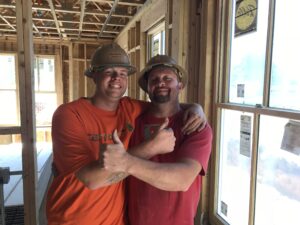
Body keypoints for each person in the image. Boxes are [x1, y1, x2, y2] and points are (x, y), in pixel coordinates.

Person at [46, 43, 206, 225]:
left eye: (122, 73)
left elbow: (165, 103)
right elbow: (91, 180)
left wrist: (196, 108)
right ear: (94, 76)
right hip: (72, 218)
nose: (116, 78)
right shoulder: (70, 114)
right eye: (109, 72)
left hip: (117, 220)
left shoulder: (129, 109)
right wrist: (150, 148)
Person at [103, 54, 213, 225]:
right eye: (154, 79)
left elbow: (182, 180)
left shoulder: (196, 126)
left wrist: (126, 162)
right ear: (147, 88)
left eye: (168, 78)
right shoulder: (132, 121)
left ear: (180, 85)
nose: (160, 82)